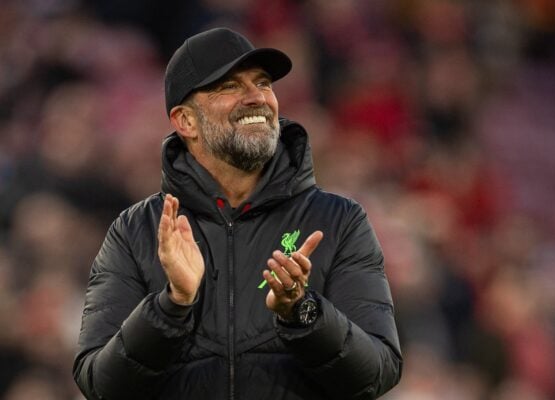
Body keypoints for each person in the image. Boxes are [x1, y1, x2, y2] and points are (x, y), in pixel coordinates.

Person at [73, 27, 402, 400]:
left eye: (263, 83)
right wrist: (171, 306)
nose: (256, 98)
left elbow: (377, 373)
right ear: (185, 121)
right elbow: (99, 384)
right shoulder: (135, 232)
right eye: (228, 86)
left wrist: (303, 312)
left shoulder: (338, 221)